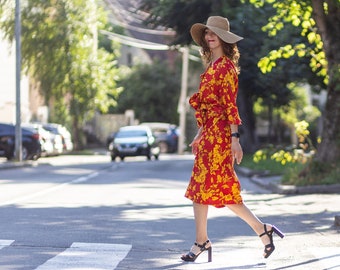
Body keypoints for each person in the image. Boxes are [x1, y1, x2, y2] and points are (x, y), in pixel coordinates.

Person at [181, 16, 284, 263]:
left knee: (222, 192)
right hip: (209, 136)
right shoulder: (211, 66)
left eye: (214, 33)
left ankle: (260, 230)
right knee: (201, 190)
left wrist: (234, 138)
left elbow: (229, 106)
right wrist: (199, 134)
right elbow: (207, 108)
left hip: (220, 138)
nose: (209, 36)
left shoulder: (226, 67)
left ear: (224, 38)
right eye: (207, 33)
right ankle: (203, 240)